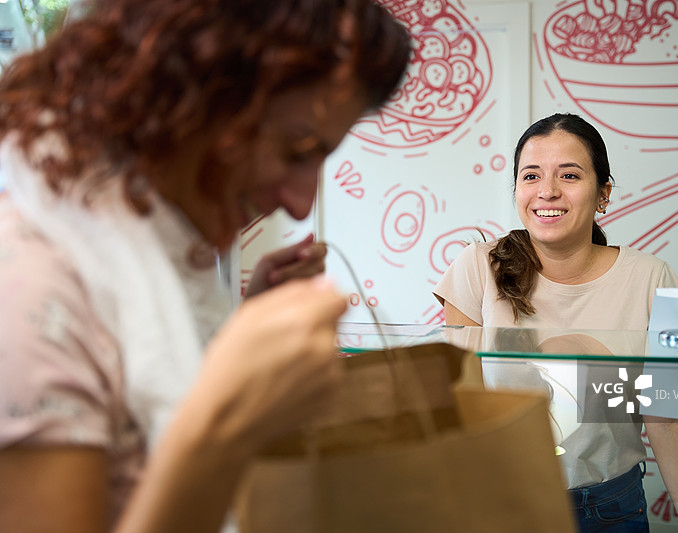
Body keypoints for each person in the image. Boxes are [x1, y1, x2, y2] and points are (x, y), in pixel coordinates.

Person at [0, 1, 410, 532]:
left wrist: (245, 320)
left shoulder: (151, 245)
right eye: (296, 151)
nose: (302, 203)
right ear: (192, 102)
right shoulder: (29, 287)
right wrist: (222, 429)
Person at [433, 113, 678, 532]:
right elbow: (459, 409)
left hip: (612, 509)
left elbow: (672, 420)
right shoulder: (476, 267)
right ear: (516, 189)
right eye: (531, 176)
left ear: (603, 193)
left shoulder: (657, 278)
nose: (547, 191)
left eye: (569, 175)